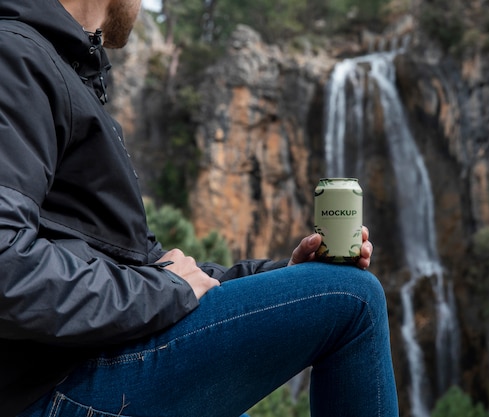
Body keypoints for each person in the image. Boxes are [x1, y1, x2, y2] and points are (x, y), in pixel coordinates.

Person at [0, 0, 399, 416]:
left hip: (78, 369)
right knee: (354, 299)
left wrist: (286, 273)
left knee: (329, 286)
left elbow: (153, 268)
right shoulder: (15, 57)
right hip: (46, 392)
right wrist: (164, 290)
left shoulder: (61, 71)